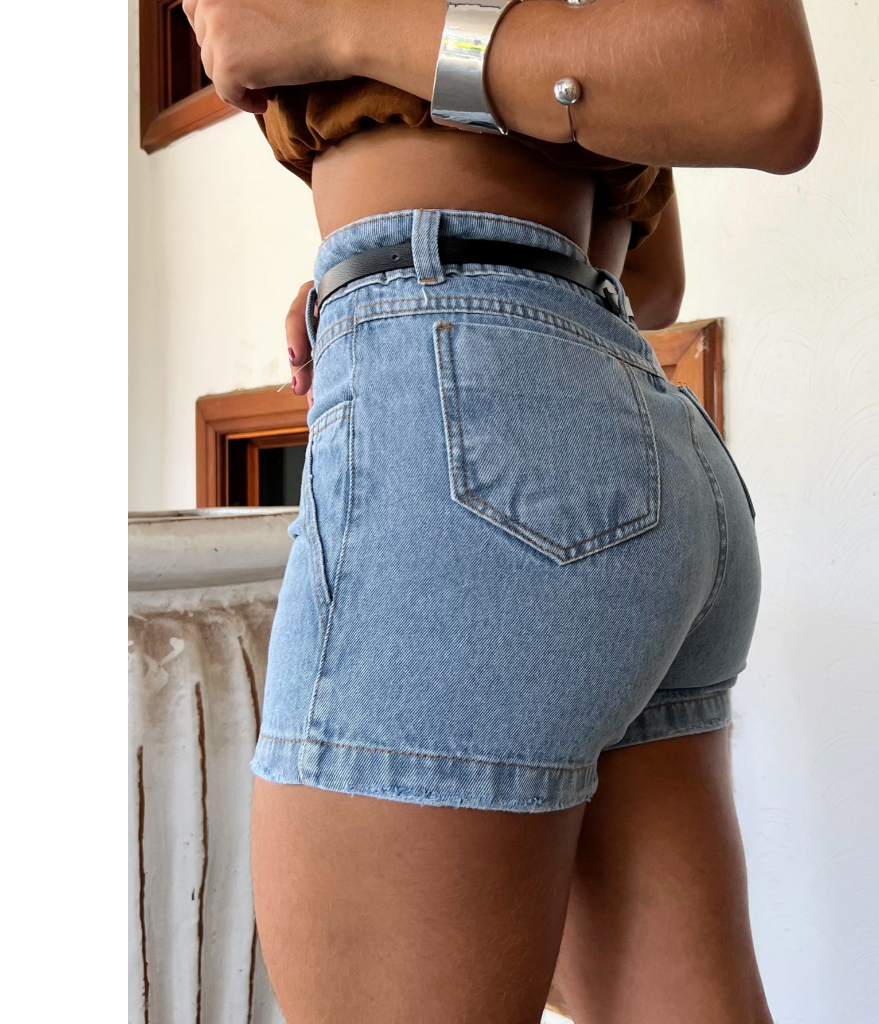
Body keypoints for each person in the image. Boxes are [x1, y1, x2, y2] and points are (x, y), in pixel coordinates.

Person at [184, 2, 821, 1021]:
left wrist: (340, 34)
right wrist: (389, 264)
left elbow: (764, 89)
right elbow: (654, 280)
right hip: (623, 411)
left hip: (473, 433)